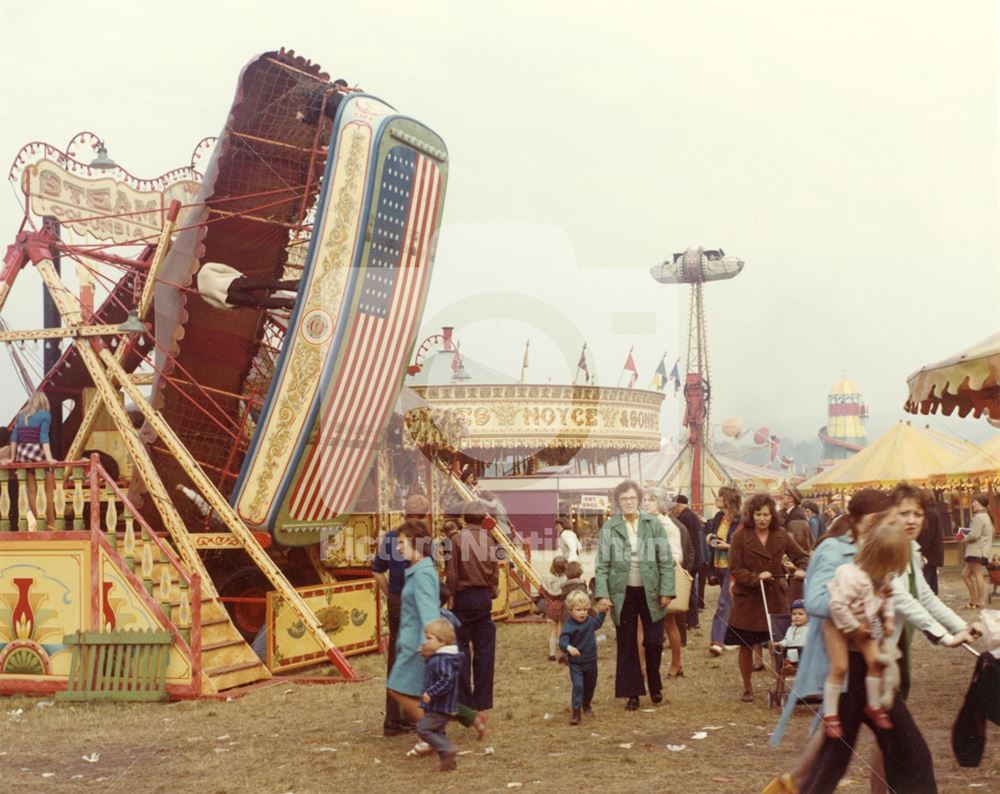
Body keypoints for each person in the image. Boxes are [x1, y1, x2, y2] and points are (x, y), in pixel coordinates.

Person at [767, 490, 944, 794]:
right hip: (849, 664)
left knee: (844, 756)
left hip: (865, 664)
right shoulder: (834, 551)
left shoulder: (877, 548)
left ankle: (795, 785)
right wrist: (858, 615)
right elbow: (817, 601)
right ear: (873, 520)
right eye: (892, 519)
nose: (900, 524)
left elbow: (907, 596)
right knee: (900, 753)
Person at [821, 522, 910, 738]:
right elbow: (837, 606)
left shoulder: (883, 576)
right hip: (838, 622)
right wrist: (854, 627)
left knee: (876, 662)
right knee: (840, 667)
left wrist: (888, 619)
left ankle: (874, 705)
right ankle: (830, 714)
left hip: (864, 622)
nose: (891, 571)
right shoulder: (852, 576)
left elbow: (888, 598)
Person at [594, 480, 675, 710]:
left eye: (632, 498)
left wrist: (667, 590)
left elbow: (666, 560)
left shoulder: (653, 524)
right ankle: (633, 693)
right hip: (623, 593)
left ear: (638, 499)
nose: (628, 502)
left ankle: (655, 684)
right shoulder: (610, 527)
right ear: (618, 502)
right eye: (624, 499)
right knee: (628, 642)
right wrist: (602, 594)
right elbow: (602, 564)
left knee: (653, 641)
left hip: (651, 592)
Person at [726, 493, 808, 702]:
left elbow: (803, 557)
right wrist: (755, 578)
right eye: (758, 514)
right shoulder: (740, 536)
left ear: (772, 515)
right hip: (748, 598)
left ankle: (779, 685)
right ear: (751, 515)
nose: (762, 519)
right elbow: (735, 567)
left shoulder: (781, 534)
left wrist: (801, 570)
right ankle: (747, 687)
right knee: (745, 644)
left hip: (774, 597)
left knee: (779, 642)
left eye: (766, 515)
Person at [373, 494, 430, 736]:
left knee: (396, 657)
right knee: (418, 655)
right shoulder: (424, 538)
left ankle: (393, 719)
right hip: (416, 600)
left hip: (397, 598)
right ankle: (412, 715)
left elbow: (377, 571)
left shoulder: (390, 538)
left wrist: (390, 594)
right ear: (425, 515)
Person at [445, 501, 500, 714]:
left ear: (463, 519)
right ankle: (482, 702)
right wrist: (492, 591)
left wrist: (449, 596)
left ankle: (464, 703)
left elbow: (452, 573)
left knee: (460, 649)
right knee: (485, 651)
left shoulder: (456, 540)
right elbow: (495, 572)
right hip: (484, 598)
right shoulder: (490, 541)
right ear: (483, 519)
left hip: (464, 598)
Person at [644, 487, 693, 677]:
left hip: (662, 579)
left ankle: (676, 663)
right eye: (646, 499)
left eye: (652, 499)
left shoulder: (669, 526)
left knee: (669, 622)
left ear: (661, 504)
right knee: (642, 624)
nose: (646, 502)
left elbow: (676, 556)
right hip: (643, 579)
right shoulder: (642, 523)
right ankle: (642, 668)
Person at [416, 618, 464, 772]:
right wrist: (426, 657)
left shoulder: (442, 659)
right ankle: (447, 763)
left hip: (439, 705)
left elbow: (446, 679)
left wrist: (431, 692)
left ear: (442, 641)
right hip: (441, 705)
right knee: (438, 732)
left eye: (430, 638)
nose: (426, 641)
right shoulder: (441, 657)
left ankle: (446, 747)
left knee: (423, 728)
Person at [704, 486, 742, 656]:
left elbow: (742, 544)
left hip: (731, 565)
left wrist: (728, 546)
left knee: (723, 602)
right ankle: (734, 637)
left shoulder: (740, 520)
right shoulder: (719, 517)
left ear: (727, 500)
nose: (717, 499)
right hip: (718, 564)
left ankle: (717, 641)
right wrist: (710, 538)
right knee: (731, 602)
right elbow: (712, 533)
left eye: (720, 497)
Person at [10, 391, 56, 530]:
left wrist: (12, 458)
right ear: (44, 402)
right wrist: (49, 459)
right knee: (48, 489)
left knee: (31, 490)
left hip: (22, 453)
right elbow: (43, 438)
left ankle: (40, 521)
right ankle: (51, 523)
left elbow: (14, 438)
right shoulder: (45, 415)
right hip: (36, 452)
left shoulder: (21, 415)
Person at [560, 590, 607, 724]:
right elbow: (562, 641)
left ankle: (586, 705)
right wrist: (569, 648)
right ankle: (576, 713)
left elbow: (597, 624)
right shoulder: (569, 625)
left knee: (590, 686)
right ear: (570, 610)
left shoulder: (589, 621)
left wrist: (603, 612)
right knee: (578, 685)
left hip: (591, 661)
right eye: (578, 609)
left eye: (585, 609)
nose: (583, 612)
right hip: (576, 663)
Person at [670, 495, 706, 630]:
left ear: (678, 505)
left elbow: (686, 542)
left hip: (691, 559)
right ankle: (693, 620)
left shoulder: (685, 517)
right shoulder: (691, 515)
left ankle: (692, 620)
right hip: (695, 558)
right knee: (691, 590)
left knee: (688, 591)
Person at [962, 494, 995, 609]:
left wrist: (963, 538)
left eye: (974, 502)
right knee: (965, 575)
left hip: (976, 551)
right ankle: (974, 599)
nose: (972, 504)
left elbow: (974, 535)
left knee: (977, 575)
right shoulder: (986, 517)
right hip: (980, 551)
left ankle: (979, 600)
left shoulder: (979, 517)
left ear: (980, 504)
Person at [540, 556, 569, 660]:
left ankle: (552, 654)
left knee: (553, 630)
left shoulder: (546, 577)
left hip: (551, 606)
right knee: (562, 630)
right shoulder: (565, 579)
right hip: (562, 606)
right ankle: (563, 653)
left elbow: (541, 591)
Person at [916, 490, 945, 594]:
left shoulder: (929, 513)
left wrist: (921, 552)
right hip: (934, 553)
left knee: (926, 581)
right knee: (932, 580)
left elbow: (927, 535)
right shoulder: (934, 511)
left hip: (928, 554)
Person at [775, 599, 809, 664]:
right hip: (790, 657)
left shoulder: (810, 629)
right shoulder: (790, 629)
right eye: (794, 614)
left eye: (800, 614)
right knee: (785, 664)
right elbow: (786, 640)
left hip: (804, 659)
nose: (796, 616)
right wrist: (781, 644)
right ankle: (787, 668)